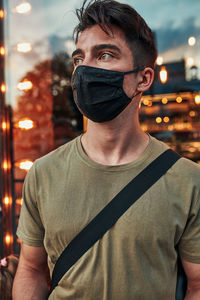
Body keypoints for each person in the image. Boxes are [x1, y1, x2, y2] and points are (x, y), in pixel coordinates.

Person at [13, 0, 200, 299]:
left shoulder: (188, 180)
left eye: (104, 55)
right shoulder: (43, 173)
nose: (85, 68)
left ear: (144, 79)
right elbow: (32, 270)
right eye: (78, 59)